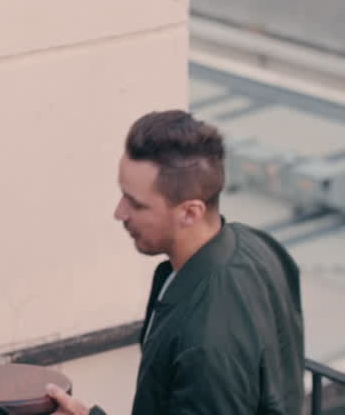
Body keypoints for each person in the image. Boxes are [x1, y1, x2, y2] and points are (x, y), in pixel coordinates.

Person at [47, 110, 304, 415]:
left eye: (136, 203)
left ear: (190, 213)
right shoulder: (259, 246)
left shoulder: (207, 345)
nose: (119, 212)